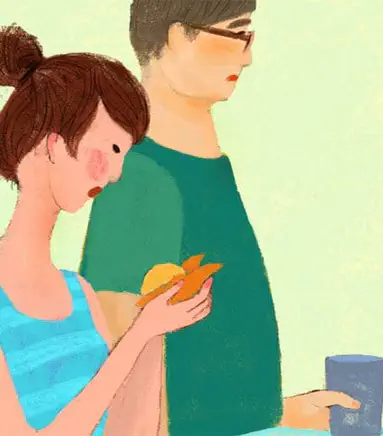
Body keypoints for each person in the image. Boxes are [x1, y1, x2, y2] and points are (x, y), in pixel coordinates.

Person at [79, 1, 359, 435]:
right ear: (176, 37)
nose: (246, 56)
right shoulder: (141, 177)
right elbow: (120, 365)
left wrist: (273, 411)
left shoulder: (204, 166)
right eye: (235, 34)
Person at [0, 24, 212, 436]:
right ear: (53, 143)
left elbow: (130, 432)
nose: (115, 174)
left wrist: (153, 333)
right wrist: (136, 337)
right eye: (112, 149)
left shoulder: (80, 294)